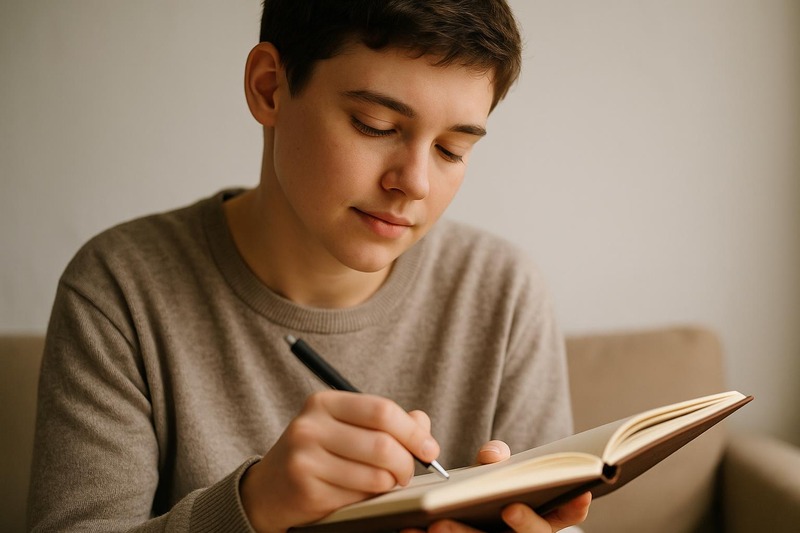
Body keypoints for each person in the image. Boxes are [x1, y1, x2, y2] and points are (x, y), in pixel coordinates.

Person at [27, 1, 591, 531]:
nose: (414, 184)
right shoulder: (121, 287)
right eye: (375, 125)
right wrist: (250, 506)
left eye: (452, 150)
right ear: (268, 87)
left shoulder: (503, 291)